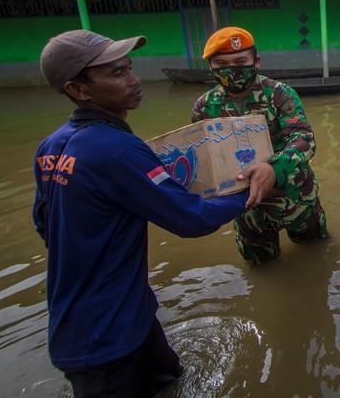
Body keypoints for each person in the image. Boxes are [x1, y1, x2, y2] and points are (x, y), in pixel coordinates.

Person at [34, 30, 251, 398]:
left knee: (170, 379)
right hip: (105, 340)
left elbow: (44, 223)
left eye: (129, 68)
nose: (134, 80)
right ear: (78, 90)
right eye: (117, 74)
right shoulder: (115, 150)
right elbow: (192, 219)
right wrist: (251, 192)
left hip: (121, 311)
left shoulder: (52, 146)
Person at [191, 27, 329, 266]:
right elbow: (203, 159)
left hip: (296, 197)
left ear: (256, 61)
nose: (232, 69)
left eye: (240, 61)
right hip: (246, 207)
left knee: (317, 257)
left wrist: (273, 169)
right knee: (261, 267)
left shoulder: (279, 94)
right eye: (222, 63)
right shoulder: (204, 107)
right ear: (211, 67)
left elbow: (304, 139)